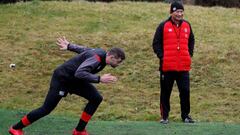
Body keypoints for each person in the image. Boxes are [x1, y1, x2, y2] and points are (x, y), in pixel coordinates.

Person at [9, 36, 125, 135]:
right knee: (46, 109)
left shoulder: (101, 54)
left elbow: (85, 50)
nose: (118, 65)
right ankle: (15, 128)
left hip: (75, 81)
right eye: (118, 62)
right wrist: (99, 79)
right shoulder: (97, 58)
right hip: (62, 79)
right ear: (111, 57)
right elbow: (80, 72)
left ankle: (79, 131)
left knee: (96, 98)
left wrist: (69, 46)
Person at [152, 1, 195, 124]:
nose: (179, 14)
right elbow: (156, 43)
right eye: (177, 11)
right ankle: (164, 117)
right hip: (167, 67)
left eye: (181, 11)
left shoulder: (187, 25)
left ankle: (186, 116)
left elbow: (191, 40)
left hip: (183, 67)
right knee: (165, 93)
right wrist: (162, 57)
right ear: (171, 12)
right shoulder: (163, 26)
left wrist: (189, 54)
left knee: (185, 92)